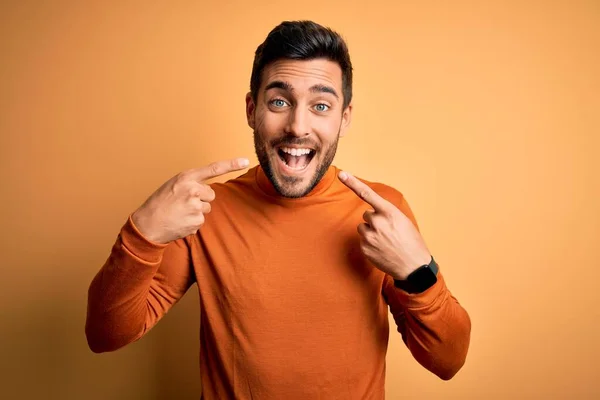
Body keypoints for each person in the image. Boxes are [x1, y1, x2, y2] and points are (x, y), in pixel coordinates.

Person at [85, 20, 471, 399]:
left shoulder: (382, 212)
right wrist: (142, 235)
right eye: (279, 102)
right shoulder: (206, 211)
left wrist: (416, 271)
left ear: (344, 118)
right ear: (252, 110)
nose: (297, 126)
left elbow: (447, 361)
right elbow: (106, 335)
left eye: (321, 105)